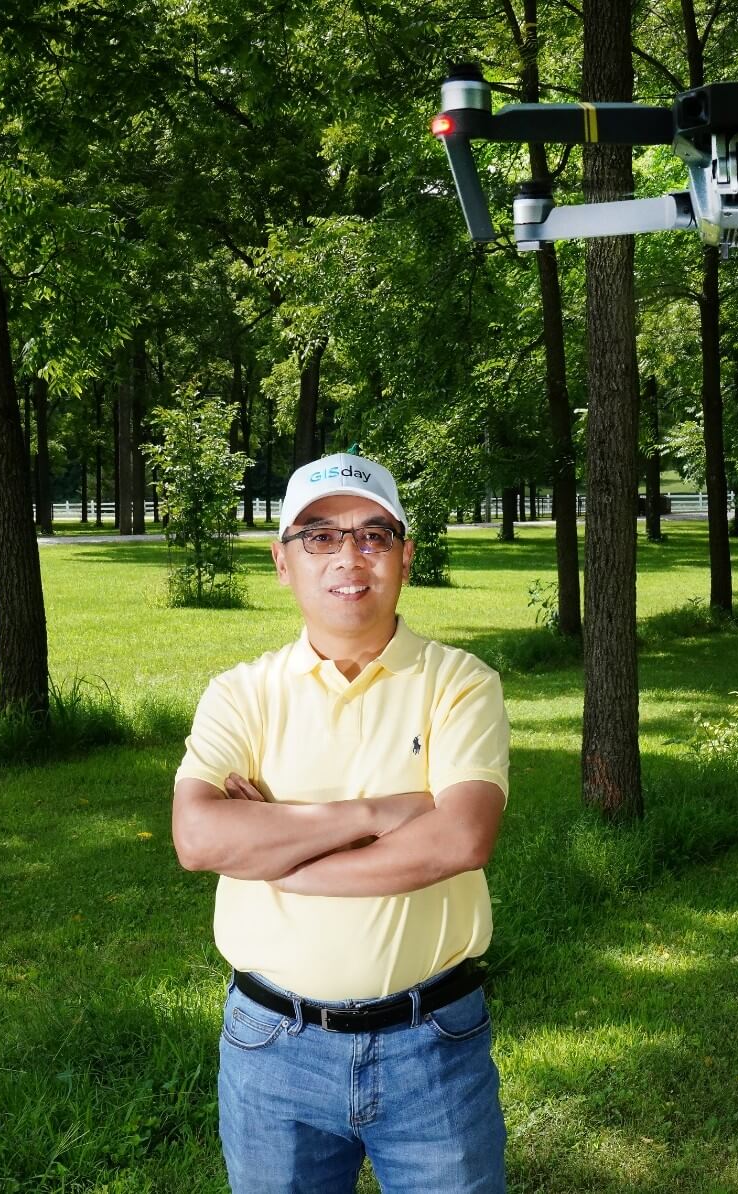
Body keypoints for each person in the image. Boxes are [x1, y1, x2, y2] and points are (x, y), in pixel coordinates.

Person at [171, 451, 509, 1193]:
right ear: (282, 562)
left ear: (405, 556)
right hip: (271, 1049)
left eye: (373, 535)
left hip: (434, 1046)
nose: (348, 557)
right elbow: (199, 839)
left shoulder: (459, 684)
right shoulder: (241, 695)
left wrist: (281, 857)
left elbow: (460, 837)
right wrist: (380, 813)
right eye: (319, 537)